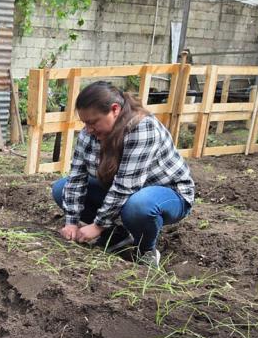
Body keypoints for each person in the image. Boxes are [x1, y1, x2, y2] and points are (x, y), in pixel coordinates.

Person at [51, 81, 195, 267]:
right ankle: (116, 236)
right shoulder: (89, 134)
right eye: (85, 122)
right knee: (60, 189)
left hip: (168, 194)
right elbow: (77, 177)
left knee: (139, 205)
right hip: (125, 192)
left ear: (115, 109)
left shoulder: (142, 127)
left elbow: (126, 185)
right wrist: (71, 221)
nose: (88, 128)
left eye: (93, 122)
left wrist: (97, 225)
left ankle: (146, 251)